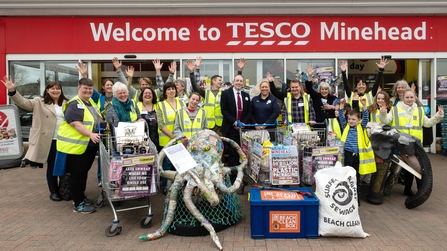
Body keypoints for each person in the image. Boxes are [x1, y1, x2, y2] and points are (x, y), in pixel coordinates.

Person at [3, 77, 68, 201]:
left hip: (65, 139)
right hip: (50, 140)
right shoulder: (39, 102)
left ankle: (63, 189)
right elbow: (23, 102)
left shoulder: (67, 102)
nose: (55, 91)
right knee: (53, 165)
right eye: (52, 88)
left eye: (58, 88)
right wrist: (12, 91)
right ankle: (53, 191)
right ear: (47, 90)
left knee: (64, 165)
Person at [380, 89, 444, 196]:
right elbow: (385, 121)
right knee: (408, 168)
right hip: (401, 144)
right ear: (403, 98)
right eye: (407, 97)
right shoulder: (395, 109)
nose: (409, 99)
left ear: (415, 98)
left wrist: (438, 115)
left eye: (411, 97)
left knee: (419, 167)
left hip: (416, 145)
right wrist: (383, 112)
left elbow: (427, 123)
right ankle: (409, 189)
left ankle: (420, 190)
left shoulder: (420, 110)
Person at [56, 77, 104, 214]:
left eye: (90, 88)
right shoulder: (75, 104)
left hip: (88, 146)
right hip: (76, 147)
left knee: (83, 174)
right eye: (85, 88)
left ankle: (80, 197)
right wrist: (90, 134)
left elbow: (97, 120)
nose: (88, 90)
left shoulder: (91, 103)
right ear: (79, 88)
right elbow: (75, 123)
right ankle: (78, 204)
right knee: (77, 175)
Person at [187, 56, 246, 135]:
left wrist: (239, 71)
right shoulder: (206, 93)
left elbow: (235, 86)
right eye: (219, 80)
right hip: (208, 125)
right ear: (213, 81)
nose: (221, 82)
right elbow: (195, 87)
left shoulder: (224, 93)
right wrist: (191, 72)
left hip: (220, 125)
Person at [338, 97, 376, 205]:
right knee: (346, 176)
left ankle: (356, 198)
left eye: (353, 119)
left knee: (356, 177)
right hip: (347, 154)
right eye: (349, 119)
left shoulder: (362, 127)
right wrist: (341, 106)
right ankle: (346, 197)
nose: (351, 121)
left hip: (358, 155)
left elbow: (366, 118)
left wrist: (364, 105)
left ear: (358, 120)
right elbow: (341, 117)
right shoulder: (346, 126)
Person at [220, 75, 252, 194]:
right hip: (231, 128)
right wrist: (234, 122)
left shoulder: (246, 95)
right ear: (233, 82)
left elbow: (249, 111)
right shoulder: (226, 94)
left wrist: (243, 123)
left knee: (244, 153)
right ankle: (234, 182)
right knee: (233, 154)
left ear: (243, 83)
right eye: (237, 80)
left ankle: (244, 178)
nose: (239, 82)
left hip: (243, 129)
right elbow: (224, 111)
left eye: (241, 81)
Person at [156, 82, 186, 194]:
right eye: (168, 89)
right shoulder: (160, 105)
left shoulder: (182, 102)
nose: (171, 91)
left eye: (173, 89)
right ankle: (165, 187)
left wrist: (180, 137)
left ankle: (179, 186)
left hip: (181, 139)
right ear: (165, 92)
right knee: (167, 165)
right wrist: (174, 137)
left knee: (180, 164)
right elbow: (161, 124)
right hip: (167, 140)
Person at [138, 87, 162, 152]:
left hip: (158, 139)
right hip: (142, 141)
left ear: (153, 96)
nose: (147, 95)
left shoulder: (158, 106)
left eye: (150, 93)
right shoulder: (136, 106)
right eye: (145, 93)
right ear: (142, 95)